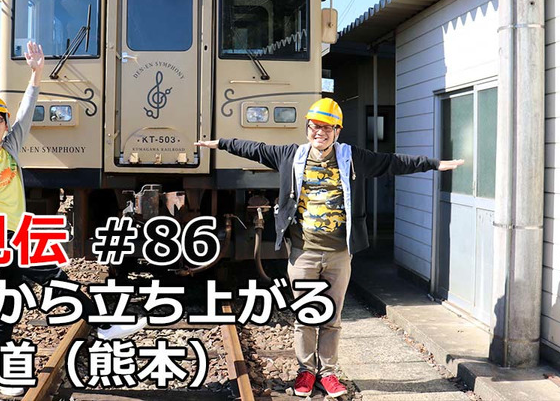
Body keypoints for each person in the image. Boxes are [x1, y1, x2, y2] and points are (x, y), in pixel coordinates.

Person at [195, 98, 463, 398]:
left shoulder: (353, 158)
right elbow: (253, 148)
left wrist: (433, 164)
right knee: (305, 316)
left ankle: (328, 372)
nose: (319, 132)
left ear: (337, 131)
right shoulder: (290, 156)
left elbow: (392, 162)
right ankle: (306, 372)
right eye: (314, 126)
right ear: (307, 128)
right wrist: (220, 143)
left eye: (327, 127)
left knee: (332, 316)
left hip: (339, 254)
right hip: (303, 253)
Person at [0, 41, 146, 396]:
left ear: (5, 124)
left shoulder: (11, 148)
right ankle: (102, 325)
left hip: (18, 234)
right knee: (47, 281)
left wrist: (37, 73)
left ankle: (0, 369)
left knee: (10, 300)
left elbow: (27, 110)